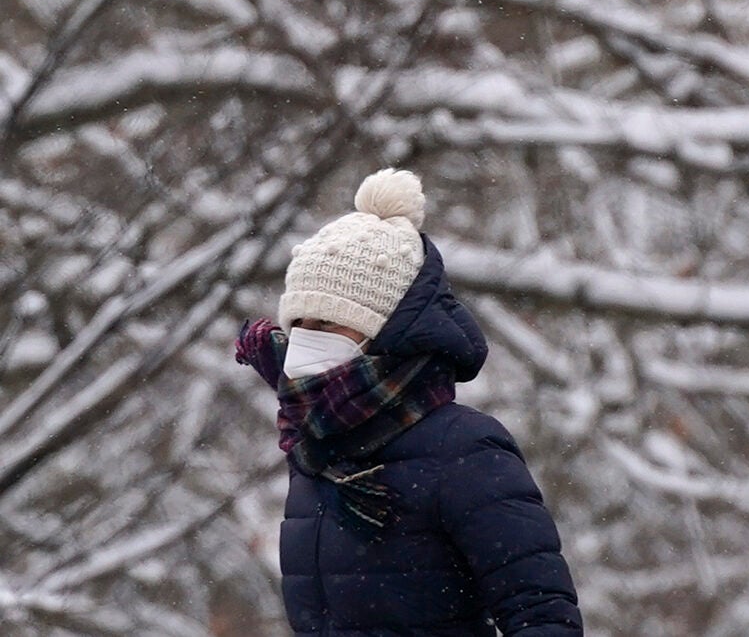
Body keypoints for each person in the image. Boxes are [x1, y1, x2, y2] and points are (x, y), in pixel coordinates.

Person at [235, 169, 582, 637]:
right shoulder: (315, 452)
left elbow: (542, 616)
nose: (304, 341)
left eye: (328, 324)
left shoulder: (465, 449)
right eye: (300, 323)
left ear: (384, 332)